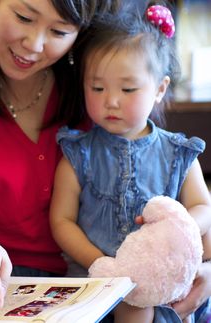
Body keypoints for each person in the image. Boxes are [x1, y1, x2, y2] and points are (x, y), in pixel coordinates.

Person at [0, 0, 122, 311]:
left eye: (58, 31)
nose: (33, 44)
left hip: (90, 280)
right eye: (23, 17)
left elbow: (150, 169)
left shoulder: (96, 93)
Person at [49, 5, 211, 322]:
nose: (111, 100)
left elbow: (203, 207)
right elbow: (62, 221)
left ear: (159, 89)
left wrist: (177, 226)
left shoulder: (178, 152)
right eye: (97, 88)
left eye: (127, 89)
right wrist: (101, 264)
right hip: (96, 287)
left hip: (163, 286)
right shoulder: (78, 153)